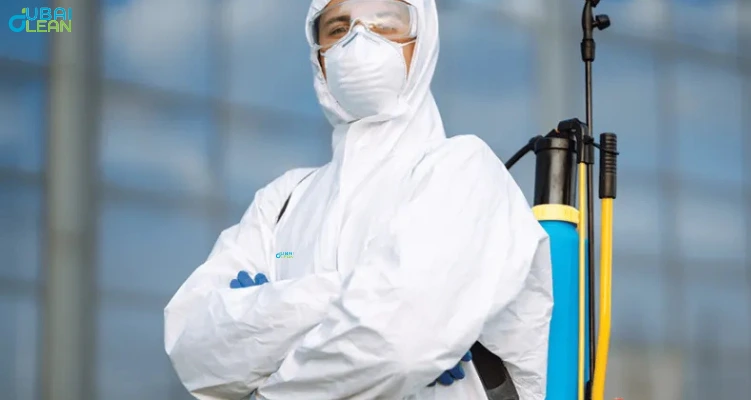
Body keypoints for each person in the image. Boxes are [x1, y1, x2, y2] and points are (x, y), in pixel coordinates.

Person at [163, 0, 553, 399]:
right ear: (319, 58)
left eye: (385, 26)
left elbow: (399, 344)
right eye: (337, 29)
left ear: (424, 41)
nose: (359, 42)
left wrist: (266, 316)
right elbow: (194, 350)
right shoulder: (283, 201)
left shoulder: (463, 170)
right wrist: (358, 297)